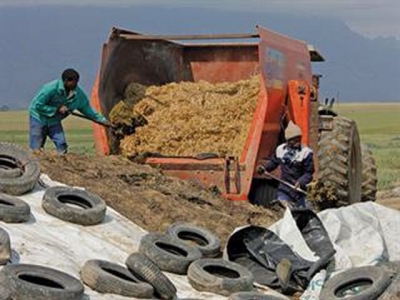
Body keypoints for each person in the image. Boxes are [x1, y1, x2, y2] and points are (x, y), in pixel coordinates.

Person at [29, 68, 110, 154]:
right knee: (36, 147)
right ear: (65, 81)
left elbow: (89, 111)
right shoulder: (50, 88)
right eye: (71, 81)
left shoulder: (78, 95)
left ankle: (62, 164)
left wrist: (104, 121)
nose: (74, 83)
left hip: (54, 121)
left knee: (61, 144)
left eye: (76, 81)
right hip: (38, 117)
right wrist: (56, 109)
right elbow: (38, 105)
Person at [257, 121, 314, 208]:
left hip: (299, 190)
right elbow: (273, 163)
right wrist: (264, 168)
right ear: (288, 140)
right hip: (284, 189)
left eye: (299, 139)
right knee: (286, 211)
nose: (298, 142)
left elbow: (309, 173)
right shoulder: (280, 150)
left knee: (303, 212)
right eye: (295, 140)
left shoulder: (306, 152)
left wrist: (301, 181)